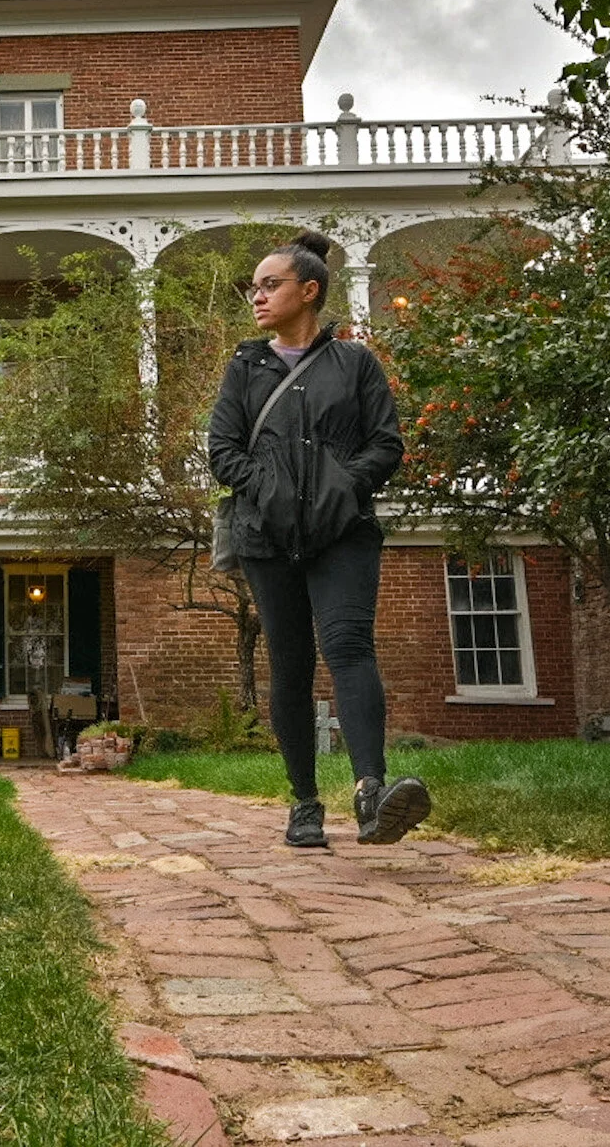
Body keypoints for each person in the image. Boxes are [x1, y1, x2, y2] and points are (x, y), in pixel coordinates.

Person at [207, 229, 429, 847]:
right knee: (291, 665)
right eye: (253, 288)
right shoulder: (245, 367)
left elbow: (385, 444)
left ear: (308, 291)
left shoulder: (356, 363)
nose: (257, 296)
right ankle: (304, 802)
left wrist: (341, 488)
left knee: (350, 647)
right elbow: (222, 451)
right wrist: (273, 491)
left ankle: (371, 793)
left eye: (269, 285)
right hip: (266, 536)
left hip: (342, 534)